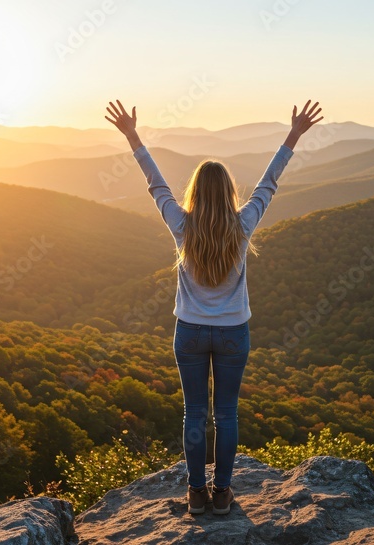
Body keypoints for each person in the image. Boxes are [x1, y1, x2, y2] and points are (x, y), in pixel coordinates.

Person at [105, 99, 323, 515]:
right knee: (226, 414)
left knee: (194, 414)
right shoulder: (242, 227)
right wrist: (293, 135)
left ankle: (195, 493)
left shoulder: (182, 226)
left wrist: (132, 137)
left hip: (188, 332)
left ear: (195, 194)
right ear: (228, 194)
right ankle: (222, 494)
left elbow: (157, 186)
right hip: (232, 333)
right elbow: (268, 184)